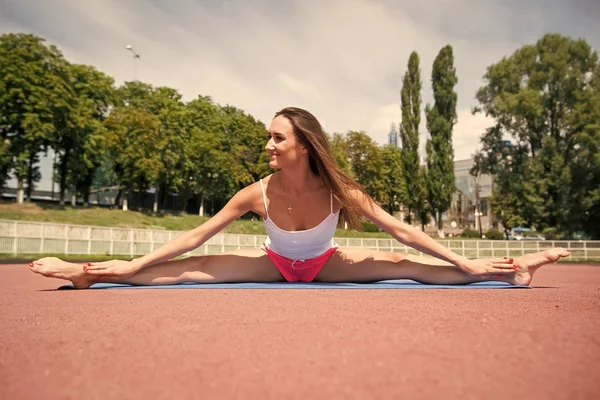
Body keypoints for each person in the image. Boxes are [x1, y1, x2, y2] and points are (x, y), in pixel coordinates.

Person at [29, 107, 571, 289]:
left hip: (326, 265)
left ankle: (513, 268)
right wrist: (109, 268)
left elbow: (404, 232)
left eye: (276, 137)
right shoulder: (255, 193)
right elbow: (192, 237)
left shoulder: (342, 191)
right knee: (176, 270)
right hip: (272, 264)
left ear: (303, 146)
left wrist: (464, 262)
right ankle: (84, 274)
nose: (267, 144)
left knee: (415, 266)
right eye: (268, 137)